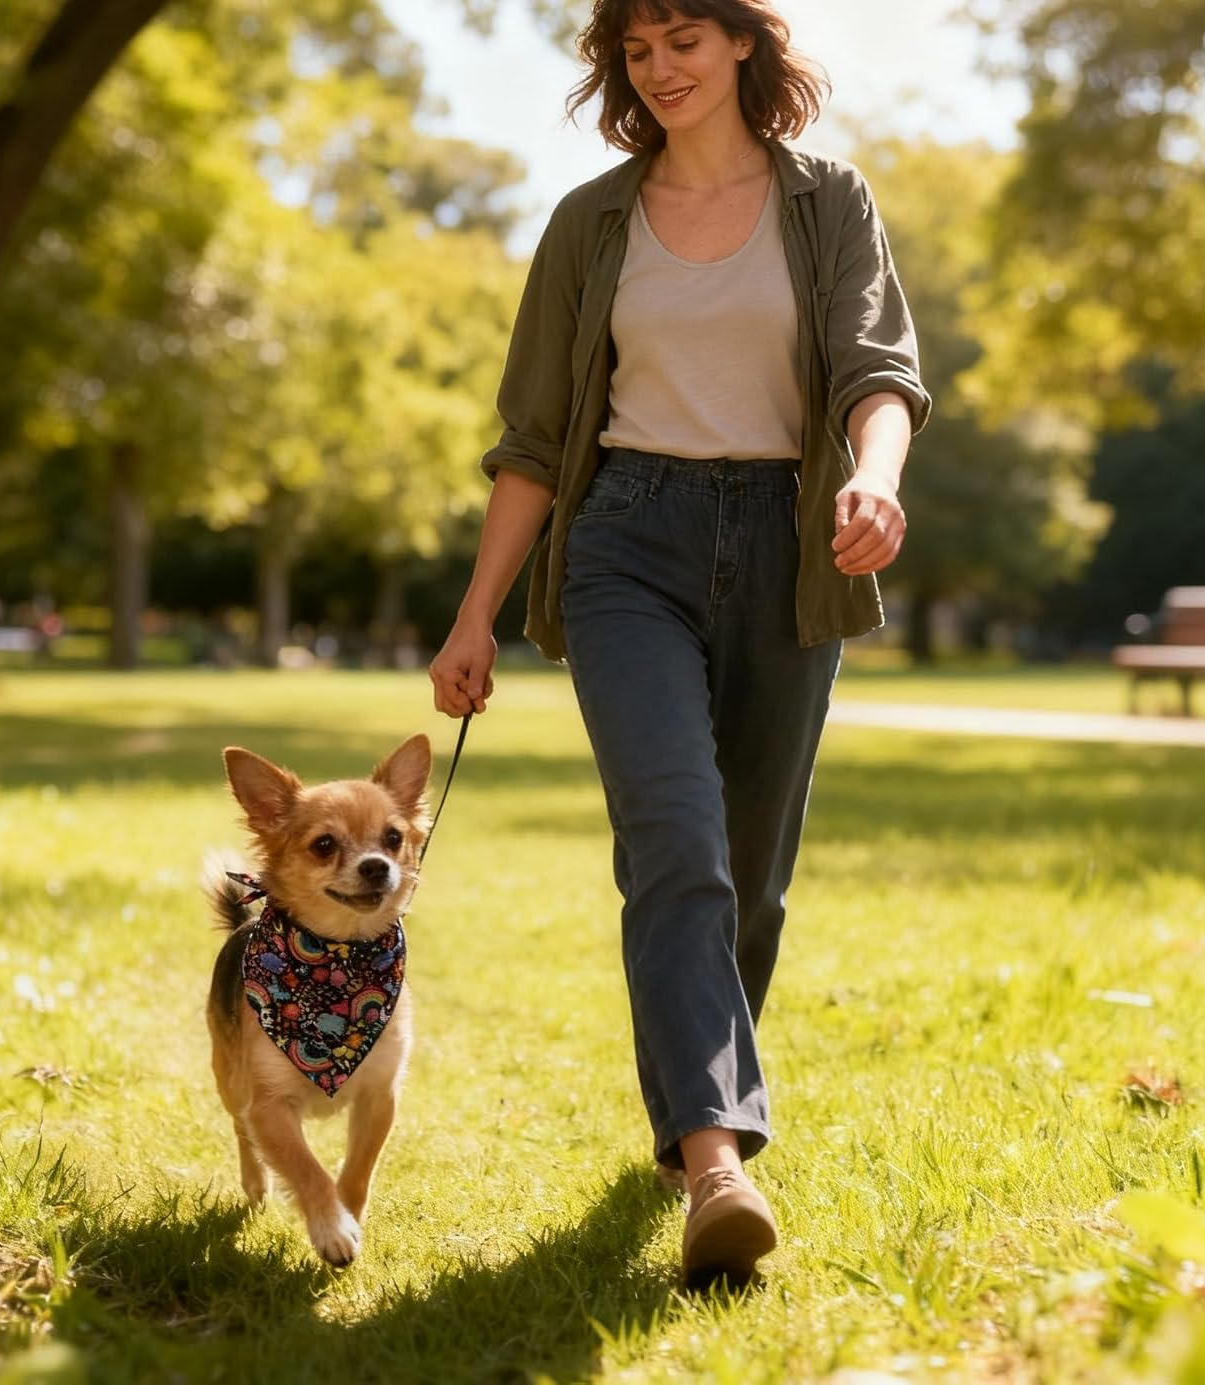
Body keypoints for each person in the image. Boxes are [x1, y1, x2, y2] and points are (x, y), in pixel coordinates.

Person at [429, 0, 930, 1286]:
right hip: (626, 542)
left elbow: (880, 367)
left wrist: (874, 480)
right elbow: (536, 439)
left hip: (787, 543)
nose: (659, 70)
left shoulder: (829, 201)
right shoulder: (589, 221)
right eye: (636, 51)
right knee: (675, 841)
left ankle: (695, 1099)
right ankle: (716, 1159)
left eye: (682, 41)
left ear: (745, 43)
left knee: (750, 877)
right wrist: (477, 610)